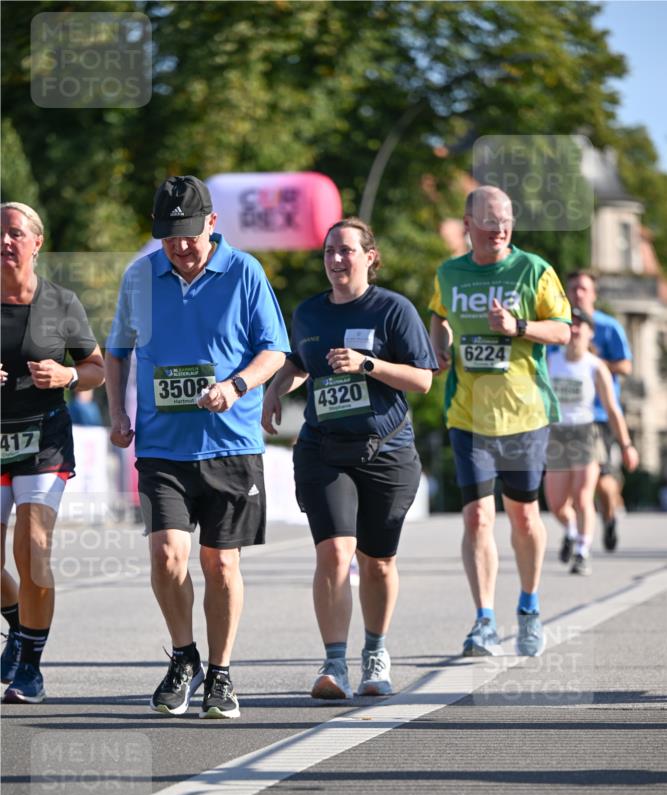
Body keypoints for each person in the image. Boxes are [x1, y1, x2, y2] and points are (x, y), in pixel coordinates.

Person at [105, 175, 288, 720]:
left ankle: (221, 673)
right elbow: (116, 352)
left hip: (231, 443)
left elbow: (274, 351)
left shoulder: (246, 272)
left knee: (221, 563)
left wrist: (236, 386)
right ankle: (184, 656)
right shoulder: (141, 275)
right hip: (163, 445)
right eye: (168, 236)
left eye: (188, 234)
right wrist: (118, 411)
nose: (180, 246)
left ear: (212, 223)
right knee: (166, 555)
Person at [262, 217, 436, 699]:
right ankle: (334, 662)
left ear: (369, 257)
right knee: (335, 551)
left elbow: (423, 380)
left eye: (346, 250)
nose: (336, 259)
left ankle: (375, 653)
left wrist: (368, 365)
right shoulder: (310, 312)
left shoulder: (393, 310)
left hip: (386, 450)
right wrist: (276, 390)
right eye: (329, 252)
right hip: (324, 449)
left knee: (377, 562)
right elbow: (299, 362)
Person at [429, 186, 570, 658]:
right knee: (477, 516)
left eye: (506, 221)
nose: (500, 229)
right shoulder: (450, 273)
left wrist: (520, 328)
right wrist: (440, 345)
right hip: (468, 415)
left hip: (525, 414)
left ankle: (529, 607)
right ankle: (484, 619)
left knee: (525, 517)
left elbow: (564, 329)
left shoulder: (533, 270)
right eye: (490, 221)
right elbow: (438, 314)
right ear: (468, 224)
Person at [1, 201, 104, 702]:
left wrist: (66, 375)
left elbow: (96, 368)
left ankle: (31, 666)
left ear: (36, 243)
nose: (5, 241)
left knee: (33, 545)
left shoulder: (62, 303)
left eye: (15, 233)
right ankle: (20, 627)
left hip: (43, 438)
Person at [544, 307, 638, 576]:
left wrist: (627, 445)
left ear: (590, 333)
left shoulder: (596, 367)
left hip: (586, 432)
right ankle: (572, 533)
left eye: (579, 325)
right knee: (558, 505)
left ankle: (583, 552)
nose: (574, 330)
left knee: (583, 497)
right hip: (557, 433)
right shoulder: (551, 360)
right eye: (570, 325)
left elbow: (612, 409)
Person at [566, 270, 633, 553]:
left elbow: (626, 366)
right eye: (573, 289)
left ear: (593, 293)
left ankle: (608, 516)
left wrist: (594, 359)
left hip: (600, 415)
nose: (578, 294)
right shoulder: (562, 326)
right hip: (566, 416)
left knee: (603, 484)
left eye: (583, 288)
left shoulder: (608, 326)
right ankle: (573, 534)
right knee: (567, 483)